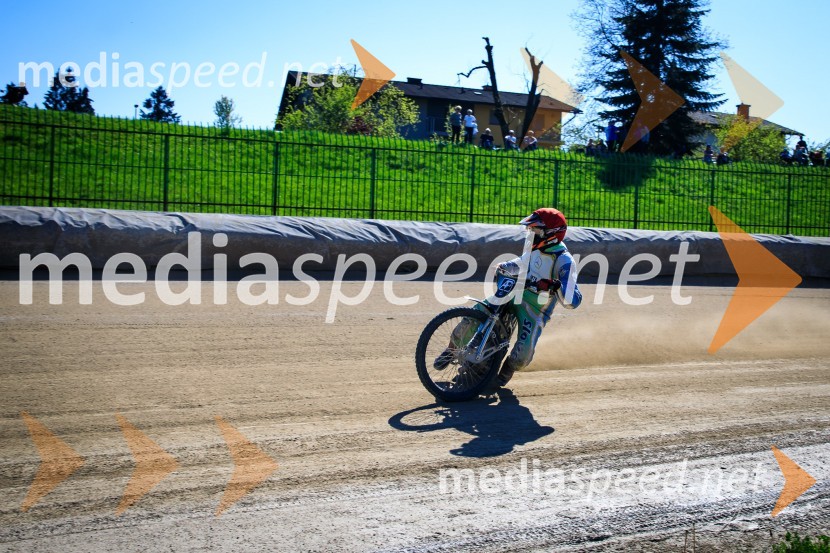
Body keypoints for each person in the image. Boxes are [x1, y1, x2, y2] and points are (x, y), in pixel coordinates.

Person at [434, 208, 582, 387]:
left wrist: (556, 285)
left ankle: (506, 371)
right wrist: (505, 266)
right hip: (514, 292)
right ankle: (451, 350)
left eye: (535, 230)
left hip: (535, 309)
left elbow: (574, 299)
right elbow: (520, 263)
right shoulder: (535, 249)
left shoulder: (564, 260)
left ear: (550, 234)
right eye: (530, 230)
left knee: (523, 356)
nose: (530, 234)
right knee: (476, 312)